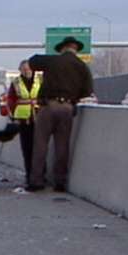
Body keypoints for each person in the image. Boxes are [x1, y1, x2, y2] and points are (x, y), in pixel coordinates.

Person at [27, 37, 94, 192]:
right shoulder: (82, 66)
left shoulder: (53, 61)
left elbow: (33, 61)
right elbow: (87, 90)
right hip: (67, 108)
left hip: (48, 106)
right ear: (76, 49)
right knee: (62, 146)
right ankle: (60, 182)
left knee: (40, 145)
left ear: (62, 48)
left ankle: (36, 181)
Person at [7, 60, 43, 185]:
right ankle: (29, 176)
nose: (26, 71)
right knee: (27, 149)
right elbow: (11, 99)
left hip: (39, 119)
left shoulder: (40, 80)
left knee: (40, 149)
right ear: (20, 70)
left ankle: (40, 175)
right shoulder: (16, 82)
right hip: (24, 121)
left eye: (28, 69)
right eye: (23, 70)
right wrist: (12, 115)